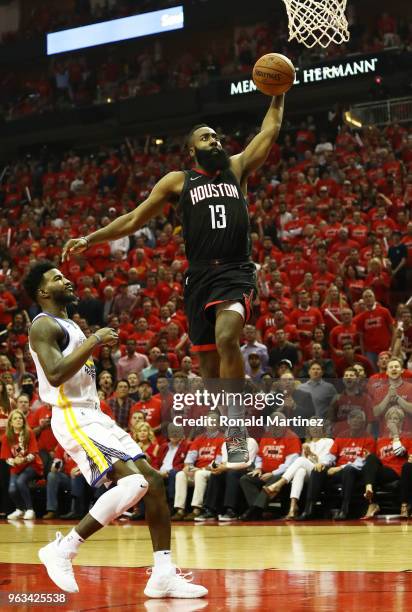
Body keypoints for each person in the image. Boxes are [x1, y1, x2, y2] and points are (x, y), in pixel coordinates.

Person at [62, 94, 286, 468]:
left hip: (235, 270)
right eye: (206, 138)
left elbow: (271, 128)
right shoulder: (178, 181)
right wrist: (90, 239)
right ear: (191, 151)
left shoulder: (237, 167)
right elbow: (134, 219)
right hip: (199, 277)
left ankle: (236, 431)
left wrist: (278, 94)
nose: (214, 142)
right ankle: (229, 414)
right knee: (211, 371)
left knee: (228, 336)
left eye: (216, 137)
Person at [23, 262, 207, 598]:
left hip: (94, 414)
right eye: (56, 278)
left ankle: (163, 573)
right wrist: (94, 340)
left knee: (152, 482)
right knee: (134, 482)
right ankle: (64, 550)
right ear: (42, 292)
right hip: (73, 416)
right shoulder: (43, 326)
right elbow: (54, 374)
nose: (66, 278)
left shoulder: (67, 324)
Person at [262, 425, 334, 519]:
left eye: (317, 426)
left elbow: (326, 462)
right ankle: (293, 507)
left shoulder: (328, 441)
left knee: (300, 460)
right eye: (312, 426)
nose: (315, 428)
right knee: (300, 471)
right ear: (308, 429)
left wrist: (311, 454)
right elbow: (302, 464)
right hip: (310, 472)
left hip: (322, 472)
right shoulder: (307, 443)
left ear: (322, 428)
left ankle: (278, 484)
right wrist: (308, 453)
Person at [362, 406, 412, 519]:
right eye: (390, 419)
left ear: (402, 422)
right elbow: (374, 460)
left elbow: (400, 453)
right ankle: (371, 497)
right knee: (370, 458)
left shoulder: (407, 437)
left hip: (398, 471)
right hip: (383, 471)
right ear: (386, 422)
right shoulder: (380, 440)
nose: (393, 421)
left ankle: (402, 505)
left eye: (396, 419)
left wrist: (395, 435)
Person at [1, 409, 43, 520]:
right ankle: (20, 510)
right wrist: (14, 461)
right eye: (15, 418)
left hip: (32, 465)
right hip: (16, 467)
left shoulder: (29, 433)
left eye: (20, 418)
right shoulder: (6, 437)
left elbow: (34, 453)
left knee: (20, 481)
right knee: (12, 489)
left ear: (24, 421)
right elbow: (6, 457)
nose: (18, 420)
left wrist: (23, 460)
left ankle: (30, 510)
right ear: (10, 422)